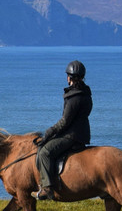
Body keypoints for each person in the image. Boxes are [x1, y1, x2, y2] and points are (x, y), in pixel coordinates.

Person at [33, 60, 92, 200]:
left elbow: (65, 121)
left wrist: (49, 132)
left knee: (45, 152)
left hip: (71, 135)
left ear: (69, 77)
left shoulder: (74, 97)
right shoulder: (85, 93)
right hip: (81, 133)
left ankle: (47, 188)